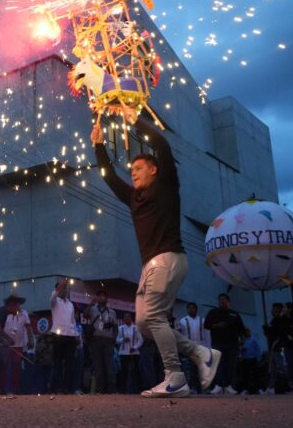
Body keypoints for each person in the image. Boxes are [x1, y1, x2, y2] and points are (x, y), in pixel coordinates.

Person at [91, 110, 220, 398]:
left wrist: (132, 118)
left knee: (155, 316)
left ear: (154, 170)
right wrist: (99, 145)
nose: (133, 172)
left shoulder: (167, 186)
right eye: (132, 169)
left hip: (169, 258)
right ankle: (201, 353)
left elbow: (162, 147)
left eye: (139, 168)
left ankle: (175, 377)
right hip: (150, 265)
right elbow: (110, 176)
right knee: (144, 324)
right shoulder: (134, 198)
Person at [204, 293, 245, 395]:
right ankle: (218, 386)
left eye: (224, 299)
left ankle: (229, 386)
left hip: (233, 344)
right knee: (218, 364)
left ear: (228, 301)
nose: (222, 301)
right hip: (218, 343)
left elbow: (241, 329)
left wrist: (243, 339)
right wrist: (217, 326)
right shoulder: (213, 312)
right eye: (220, 299)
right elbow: (206, 325)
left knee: (231, 365)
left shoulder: (234, 314)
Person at [83, 288, 119, 393]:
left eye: (104, 295)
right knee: (98, 366)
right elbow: (85, 315)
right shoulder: (93, 309)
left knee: (109, 365)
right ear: (97, 298)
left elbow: (115, 327)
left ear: (107, 298)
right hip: (95, 340)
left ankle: (111, 389)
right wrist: (90, 304)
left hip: (108, 340)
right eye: (99, 295)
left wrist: (114, 338)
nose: (102, 297)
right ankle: (100, 390)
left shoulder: (112, 312)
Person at [50, 278, 79, 394]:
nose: (64, 290)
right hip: (58, 336)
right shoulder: (54, 301)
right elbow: (52, 297)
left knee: (69, 363)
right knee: (57, 363)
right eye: (62, 288)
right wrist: (59, 287)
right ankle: (57, 388)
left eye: (65, 289)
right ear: (57, 290)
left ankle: (66, 388)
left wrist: (77, 335)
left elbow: (73, 322)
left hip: (70, 336)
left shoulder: (71, 304)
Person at [1, 294, 33, 395]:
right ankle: (2, 389)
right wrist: (3, 339)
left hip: (18, 345)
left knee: (16, 368)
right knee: (4, 367)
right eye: (12, 303)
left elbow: (28, 328)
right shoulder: (4, 314)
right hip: (5, 345)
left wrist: (31, 339)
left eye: (17, 303)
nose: (15, 305)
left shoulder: (24, 314)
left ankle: (15, 389)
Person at [178, 302, 210, 393]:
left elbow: (207, 335)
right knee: (190, 369)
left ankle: (204, 388)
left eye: (193, 308)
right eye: (189, 308)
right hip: (189, 348)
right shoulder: (183, 321)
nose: (191, 310)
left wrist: (208, 348)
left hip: (202, 346)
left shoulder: (202, 320)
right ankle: (192, 387)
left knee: (202, 369)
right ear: (187, 310)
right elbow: (181, 336)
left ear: (196, 309)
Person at [261, 303, 286, 395]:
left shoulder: (279, 320)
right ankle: (270, 387)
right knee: (273, 367)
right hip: (272, 346)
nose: (272, 310)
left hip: (276, 346)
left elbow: (275, 333)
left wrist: (267, 329)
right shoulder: (274, 320)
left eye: (274, 308)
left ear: (278, 309)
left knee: (280, 365)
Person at [117, 312, 144, 393]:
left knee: (136, 371)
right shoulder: (120, 328)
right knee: (123, 372)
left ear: (131, 318)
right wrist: (122, 340)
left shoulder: (136, 328)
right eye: (124, 317)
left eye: (128, 317)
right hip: (123, 353)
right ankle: (123, 390)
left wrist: (134, 347)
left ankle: (138, 390)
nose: (126, 319)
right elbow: (116, 340)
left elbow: (141, 340)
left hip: (134, 353)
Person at [237, 328, 260, 395]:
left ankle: (256, 389)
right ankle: (246, 389)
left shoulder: (253, 339)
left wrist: (257, 358)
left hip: (253, 359)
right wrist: (241, 349)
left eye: (248, 331)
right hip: (245, 360)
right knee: (245, 375)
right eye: (246, 332)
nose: (247, 333)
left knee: (254, 375)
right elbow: (239, 348)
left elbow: (257, 349)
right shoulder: (242, 340)